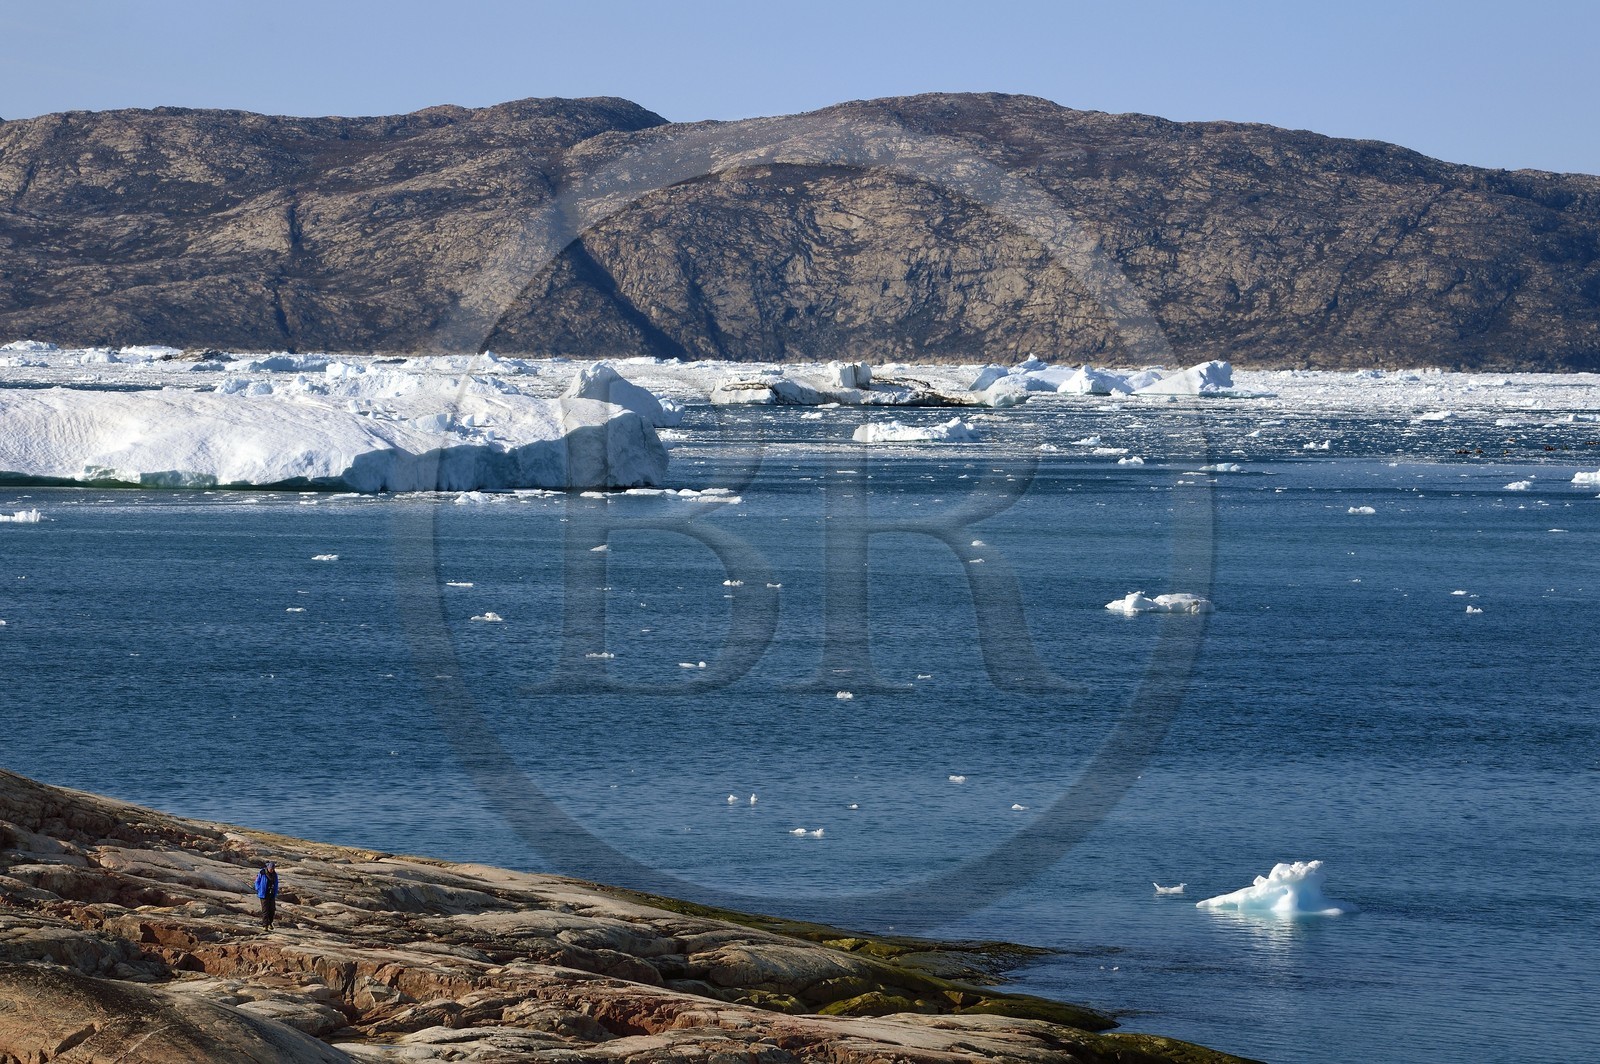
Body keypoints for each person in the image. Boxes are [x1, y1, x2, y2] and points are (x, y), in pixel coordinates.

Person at [254, 861, 279, 930]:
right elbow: (257, 881)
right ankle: (265, 925)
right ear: (268, 867)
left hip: (271, 894)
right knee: (265, 910)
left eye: (273, 869)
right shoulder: (262, 873)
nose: (271, 870)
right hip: (263, 894)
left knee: (272, 910)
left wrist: (275, 892)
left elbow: (276, 883)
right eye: (270, 868)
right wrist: (258, 889)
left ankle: (270, 922)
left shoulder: (275, 874)